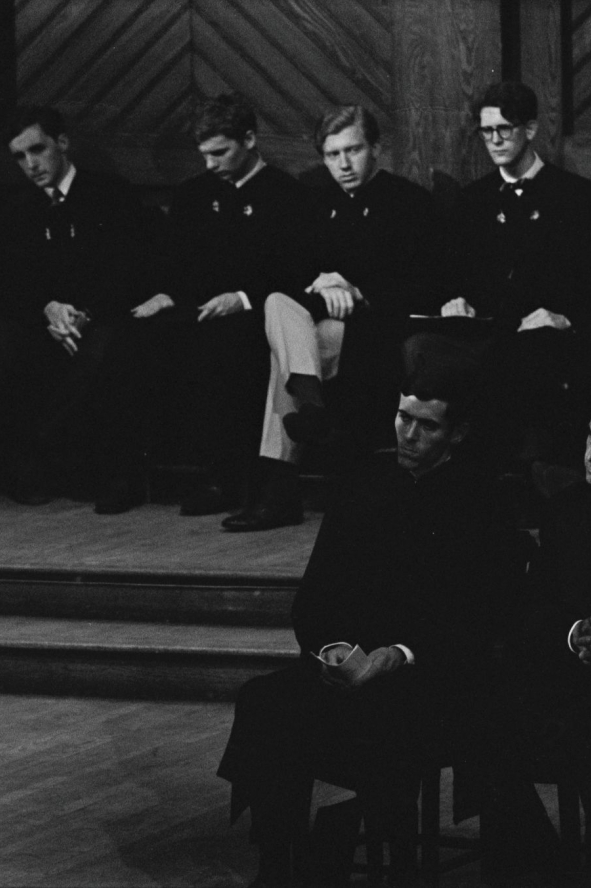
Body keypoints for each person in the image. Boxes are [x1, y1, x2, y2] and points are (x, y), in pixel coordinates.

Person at [216, 365, 503, 886]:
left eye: (427, 426)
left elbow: (477, 620)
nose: (408, 435)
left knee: (386, 723)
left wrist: (397, 655)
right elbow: (314, 597)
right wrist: (333, 651)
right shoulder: (365, 483)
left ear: (457, 433)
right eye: (401, 417)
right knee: (265, 701)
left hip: (430, 678)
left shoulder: (481, 501)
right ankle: (280, 865)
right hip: (348, 666)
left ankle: (375, 857)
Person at [224, 106, 448, 532]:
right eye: (332, 155)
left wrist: (358, 291)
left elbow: (426, 284)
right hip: (317, 325)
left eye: (353, 150)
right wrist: (321, 281)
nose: (343, 165)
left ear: (377, 148)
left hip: (373, 328)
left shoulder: (409, 202)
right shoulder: (311, 201)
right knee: (275, 303)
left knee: (283, 360)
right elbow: (286, 272)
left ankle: (281, 486)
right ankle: (309, 403)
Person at [0, 106, 154, 513]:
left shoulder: (109, 194)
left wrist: (84, 314)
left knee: (108, 348)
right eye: (19, 157)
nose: (31, 165)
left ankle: (111, 474)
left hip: (104, 316)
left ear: (62, 144)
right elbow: (9, 287)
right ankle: (17, 466)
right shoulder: (17, 211)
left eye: (38, 150)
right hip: (45, 324)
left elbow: (131, 272)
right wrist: (48, 311)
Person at [432, 81, 591, 469]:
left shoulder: (576, 197)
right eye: (487, 131)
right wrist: (456, 300)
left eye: (505, 129)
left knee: (519, 356)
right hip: (486, 329)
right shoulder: (473, 200)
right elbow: (454, 274)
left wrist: (568, 317)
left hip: (550, 332)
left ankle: (511, 476)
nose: (495, 140)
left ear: (529, 130)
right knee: (426, 347)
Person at [147, 94, 313, 515]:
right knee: (146, 338)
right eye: (204, 154)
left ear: (250, 139)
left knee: (228, 346)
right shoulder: (193, 195)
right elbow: (177, 263)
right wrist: (168, 294)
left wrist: (241, 299)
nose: (210, 164)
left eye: (220, 152)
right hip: (200, 308)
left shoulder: (286, 194)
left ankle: (234, 480)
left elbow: (294, 274)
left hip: (255, 311)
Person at [498, 384, 591, 880]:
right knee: (486, 718)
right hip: (576, 675)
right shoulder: (570, 507)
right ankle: (547, 865)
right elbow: (537, 608)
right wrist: (574, 633)